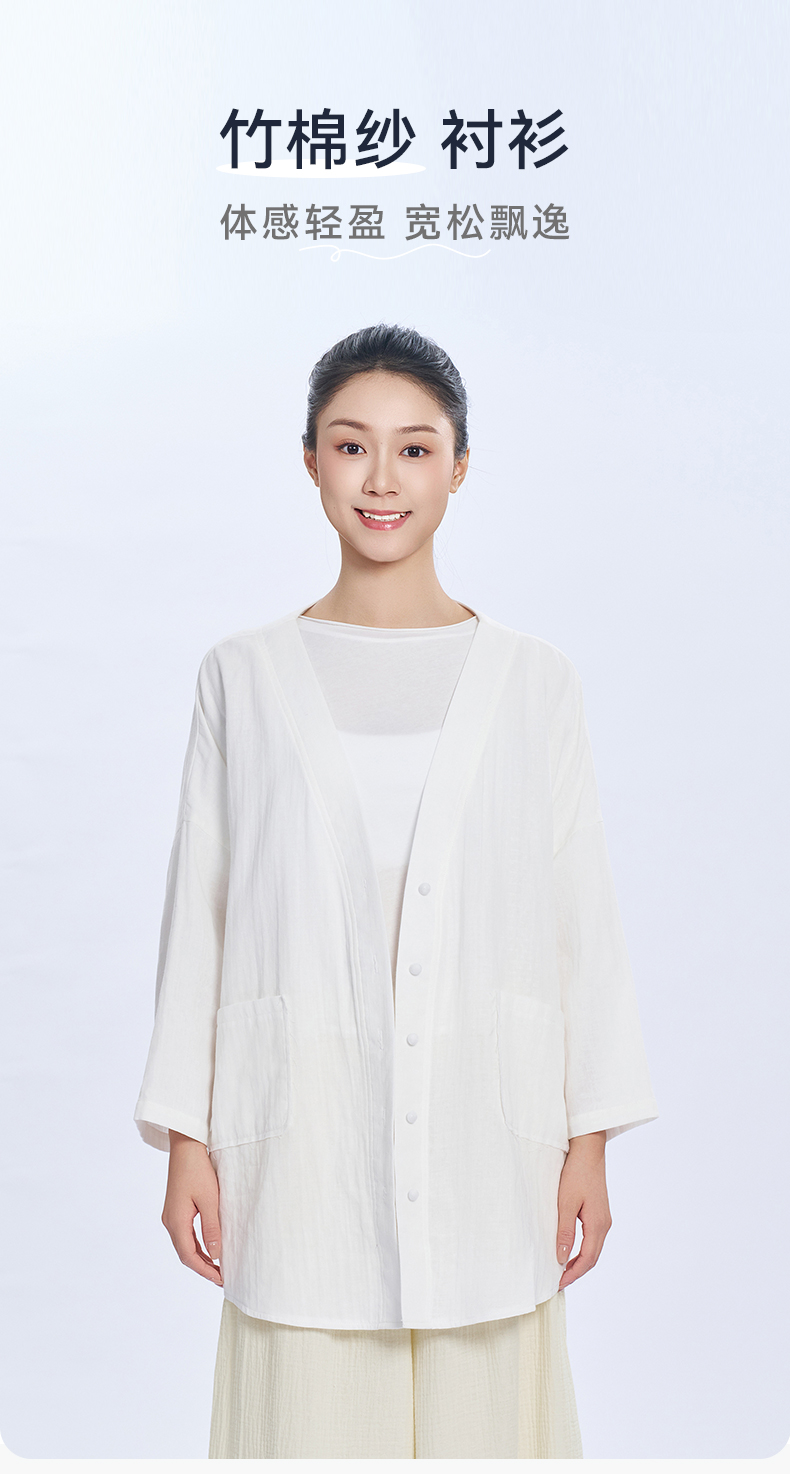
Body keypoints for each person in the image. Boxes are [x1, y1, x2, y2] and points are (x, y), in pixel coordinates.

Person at [134, 323, 658, 1459]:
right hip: (298, 1142)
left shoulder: (534, 683)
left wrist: (589, 1141)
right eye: (350, 444)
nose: (382, 479)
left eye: (415, 449)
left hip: (490, 1137)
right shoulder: (241, 678)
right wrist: (186, 1138)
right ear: (310, 461)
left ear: (459, 467)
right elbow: (201, 918)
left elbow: (581, 916)